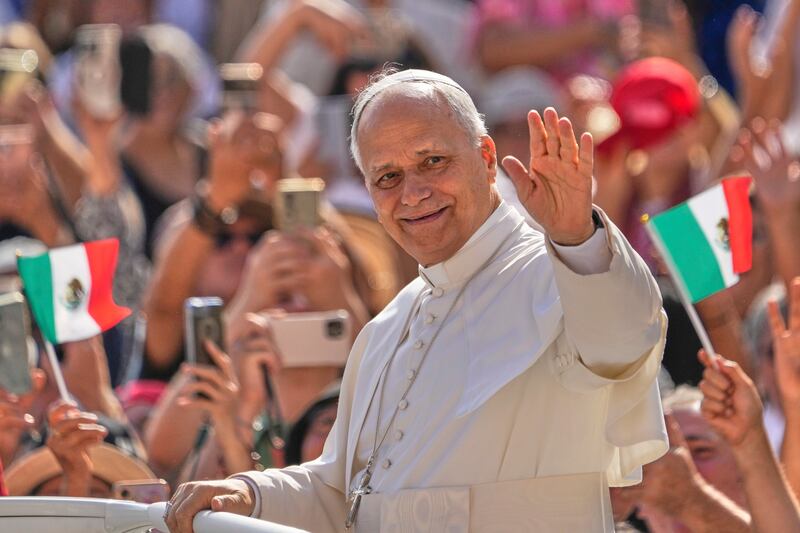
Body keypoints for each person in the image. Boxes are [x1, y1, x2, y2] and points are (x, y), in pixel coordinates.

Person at [165, 67, 668, 532]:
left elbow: (625, 341)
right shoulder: (388, 329)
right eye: (388, 177)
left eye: (433, 161)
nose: (413, 193)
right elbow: (343, 495)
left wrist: (577, 236)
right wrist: (246, 494)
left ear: (487, 158)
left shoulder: (563, 269)